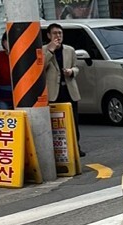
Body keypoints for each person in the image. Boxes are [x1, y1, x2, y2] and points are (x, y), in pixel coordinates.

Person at [43, 23, 86, 157]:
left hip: (69, 89)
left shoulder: (70, 50)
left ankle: (75, 147)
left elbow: (76, 67)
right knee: (56, 123)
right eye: (55, 33)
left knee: (73, 121)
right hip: (53, 91)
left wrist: (71, 71)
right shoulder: (43, 50)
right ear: (49, 35)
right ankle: (59, 149)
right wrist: (51, 50)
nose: (58, 36)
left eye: (60, 33)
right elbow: (41, 67)